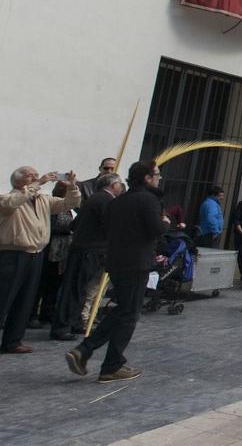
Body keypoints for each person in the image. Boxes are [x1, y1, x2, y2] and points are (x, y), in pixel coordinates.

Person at [66, 161, 163, 382]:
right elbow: (155, 230)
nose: (159, 179)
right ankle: (109, 364)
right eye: (156, 175)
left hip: (116, 261)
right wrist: (166, 223)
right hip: (136, 262)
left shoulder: (118, 201)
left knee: (124, 310)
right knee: (129, 314)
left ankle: (86, 351)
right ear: (147, 178)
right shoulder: (148, 199)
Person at [1, 167, 81, 354]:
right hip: (13, 254)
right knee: (4, 297)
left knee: (25, 299)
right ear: (19, 181)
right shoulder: (7, 198)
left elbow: (69, 204)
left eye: (37, 175)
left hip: (36, 254)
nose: (36, 178)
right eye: (31, 176)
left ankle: (12, 341)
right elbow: (13, 202)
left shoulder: (42, 200)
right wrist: (40, 183)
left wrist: (72, 187)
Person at [51, 172, 124, 340]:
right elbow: (110, 226)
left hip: (86, 248)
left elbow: (75, 224)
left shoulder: (94, 199)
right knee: (76, 288)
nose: (121, 187)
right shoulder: (105, 201)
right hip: (90, 250)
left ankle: (74, 321)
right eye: (119, 184)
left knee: (81, 289)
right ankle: (63, 326)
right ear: (113, 186)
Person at [31, 184, 76, 328]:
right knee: (42, 284)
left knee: (54, 285)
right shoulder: (53, 206)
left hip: (63, 251)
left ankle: (47, 313)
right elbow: (52, 226)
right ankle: (32, 315)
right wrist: (71, 229)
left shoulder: (70, 208)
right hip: (51, 250)